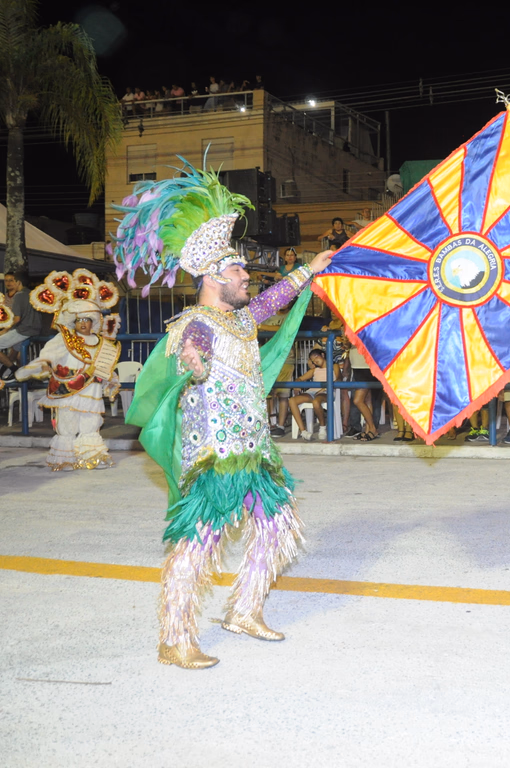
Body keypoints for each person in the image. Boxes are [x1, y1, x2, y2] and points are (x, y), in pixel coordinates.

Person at [110, 159, 336, 669]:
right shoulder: (196, 323)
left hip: (254, 451)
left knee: (279, 530)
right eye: (237, 271)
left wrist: (311, 268)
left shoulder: (238, 319)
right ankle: (175, 639)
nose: (246, 277)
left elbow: (278, 296)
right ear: (213, 277)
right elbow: (190, 349)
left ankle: (244, 611)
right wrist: (195, 362)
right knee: (196, 546)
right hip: (214, 456)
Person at [14, 270, 121, 470]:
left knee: (91, 423)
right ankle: (66, 458)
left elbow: (106, 367)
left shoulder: (101, 343)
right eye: (78, 320)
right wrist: (32, 369)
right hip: (66, 389)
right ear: (73, 322)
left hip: (91, 390)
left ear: (93, 321)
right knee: (67, 423)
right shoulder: (63, 340)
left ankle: (91, 458)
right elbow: (46, 358)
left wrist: (111, 380)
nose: (82, 324)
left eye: (86, 320)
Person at [288, 347, 340, 441]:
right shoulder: (314, 370)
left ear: (323, 355)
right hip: (312, 392)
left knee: (316, 402)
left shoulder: (334, 366)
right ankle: (303, 431)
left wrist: (325, 387)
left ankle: (322, 427)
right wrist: (297, 385)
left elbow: (338, 379)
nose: (315, 361)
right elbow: (300, 379)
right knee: (292, 400)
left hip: (326, 391)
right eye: (313, 360)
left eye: (316, 357)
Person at [0, 271, 45, 372]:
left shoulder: (19, 295)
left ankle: (14, 369)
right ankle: (6, 374)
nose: (12, 284)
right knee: (14, 354)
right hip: (34, 330)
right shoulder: (32, 294)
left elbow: (17, 319)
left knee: (13, 354)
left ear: (18, 282)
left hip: (23, 330)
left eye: (13, 281)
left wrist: (4, 331)